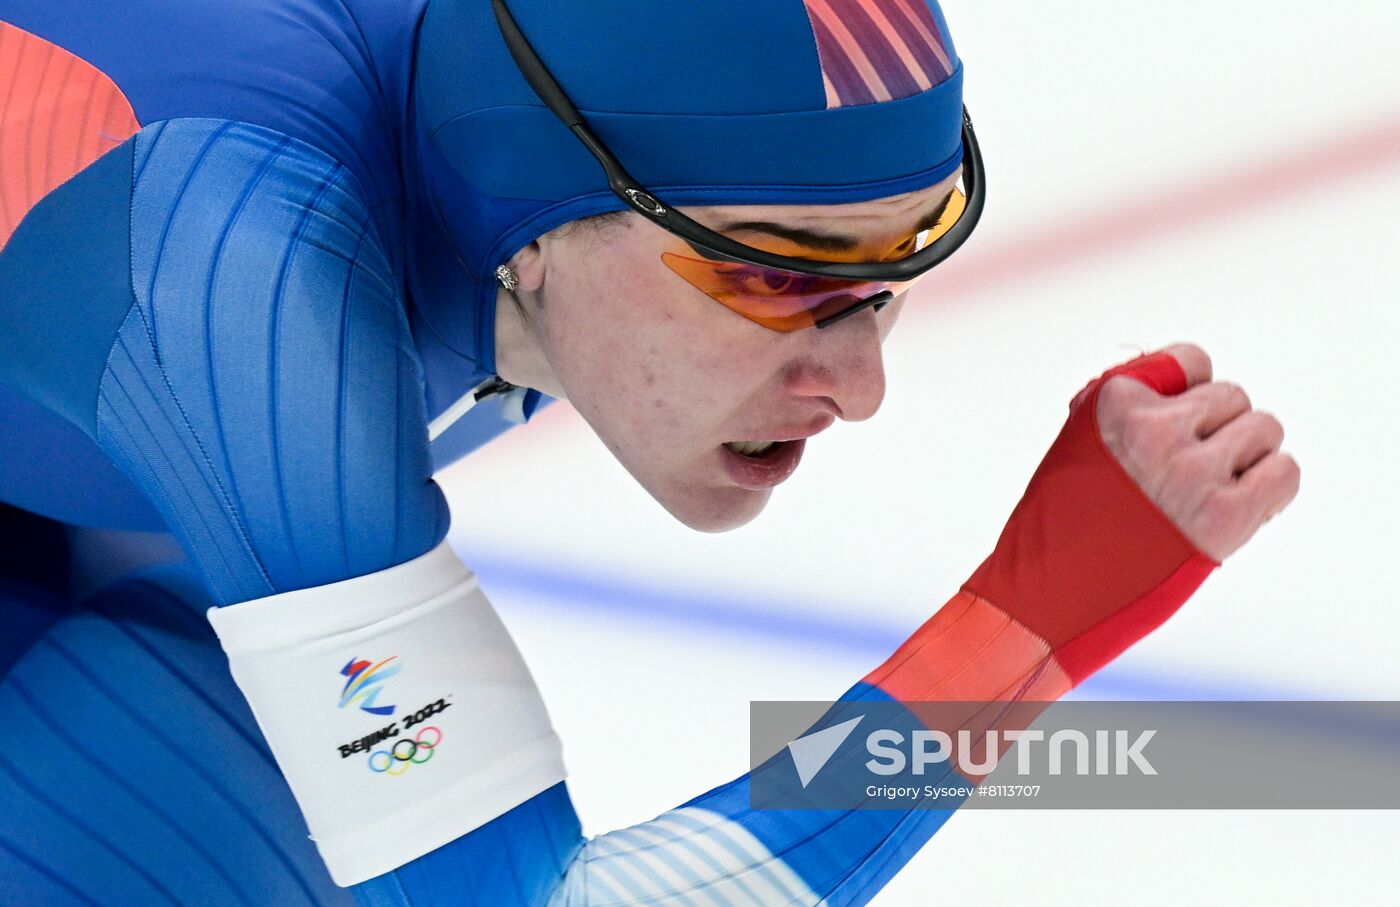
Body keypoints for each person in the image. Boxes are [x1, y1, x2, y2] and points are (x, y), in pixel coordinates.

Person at [0, 0, 1299, 904]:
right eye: (777, 282)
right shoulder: (239, 282)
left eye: (892, 274)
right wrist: (1027, 623)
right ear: (533, 237)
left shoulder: (528, 165)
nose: (861, 388)